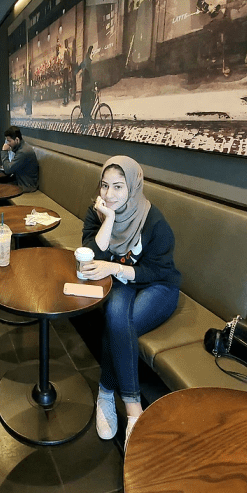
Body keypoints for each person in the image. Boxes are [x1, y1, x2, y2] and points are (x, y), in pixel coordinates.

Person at [80, 156, 181, 450]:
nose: (109, 195)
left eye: (119, 187)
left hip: (157, 286)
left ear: (133, 188)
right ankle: (129, 407)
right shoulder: (96, 212)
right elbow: (90, 255)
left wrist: (115, 268)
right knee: (116, 319)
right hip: (122, 284)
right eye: (105, 186)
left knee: (120, 324)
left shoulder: (154, 221)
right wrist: (108, 220)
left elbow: (160, 271)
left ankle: (108, 393)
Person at [0, 126, 39, 192]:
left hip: (26, 186)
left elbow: (8, 170)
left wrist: (4, 152)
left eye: (9, 141)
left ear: (17, 140)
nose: (8, 144)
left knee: (0, 189)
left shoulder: (23, 152)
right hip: (20, 182)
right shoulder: (21, 147)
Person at [78, 45, 95, 120]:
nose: (93, 54)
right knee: (90, 98)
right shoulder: (87, 61)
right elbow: (89, 74)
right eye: (92, 52)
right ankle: (87, 115)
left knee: (91, 98)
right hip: (86, 85)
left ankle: (87, 115)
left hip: (87, 84)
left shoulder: (87, 61)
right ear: (89, 53)